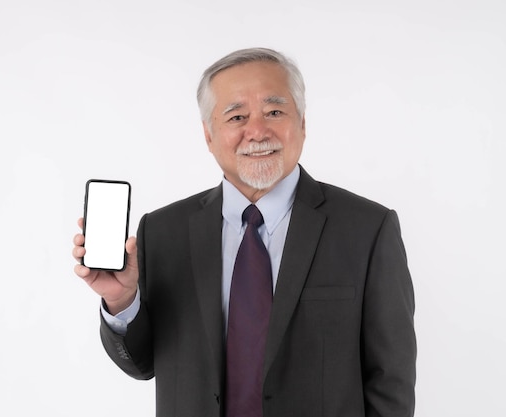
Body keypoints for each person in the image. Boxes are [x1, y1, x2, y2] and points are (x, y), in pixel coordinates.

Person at [72, 47, 416, 417]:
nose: (257, 131)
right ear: (208, 134)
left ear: (302, 123)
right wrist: (122, 303)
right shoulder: (162, 231)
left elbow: (390, 380)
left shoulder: (367, 229)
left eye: (274, 112)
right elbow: (142, 365)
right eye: (236, 116)